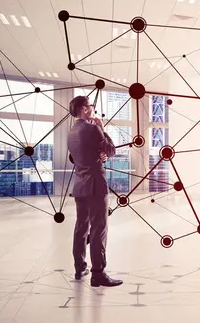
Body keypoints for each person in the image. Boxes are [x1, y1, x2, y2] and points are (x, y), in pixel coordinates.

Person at [67, 96, 123, 287]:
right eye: (91, 106)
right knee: (99, 228)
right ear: (84, 109)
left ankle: (79, 267)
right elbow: (112, 150)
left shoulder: (71, 132)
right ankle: (98, 273)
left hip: (80, 186)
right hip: (96, 186)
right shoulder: (92, 128)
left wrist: (99, 156)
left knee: (81, 228)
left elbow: (74, 158)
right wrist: (102, 128)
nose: (93, 108)